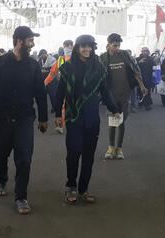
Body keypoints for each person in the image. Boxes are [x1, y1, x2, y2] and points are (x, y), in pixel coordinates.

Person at [0, 26, 48, 214]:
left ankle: (21, 197)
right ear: (19, 41)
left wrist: (43, 118)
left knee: (24, 158)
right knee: (0, 154)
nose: (33, 44)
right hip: (1, 118)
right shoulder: (0, 63)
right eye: (30, 40)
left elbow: (40, 93)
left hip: (25, 119)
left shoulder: (33, 65)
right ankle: (1, 179)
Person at [54, 35, 121, 204]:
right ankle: (71, 186)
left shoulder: (98, 68)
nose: (87, 49)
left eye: (89, 46)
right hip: (73, 117)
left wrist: (114, 109)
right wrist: (57, 114)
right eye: (83, 46)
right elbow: (60, 92)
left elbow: (105, 91)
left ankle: (84, 188)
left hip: (92, 118)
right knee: (74, 152)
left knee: (89, 155)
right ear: (77, 48)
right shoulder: (67, 68)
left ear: (93, 48)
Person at [100, 33, 147, 160]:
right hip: (111, 96)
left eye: (119, 45)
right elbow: (98, 77)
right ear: (108, 44)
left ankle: (119, 149)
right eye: (114, 46)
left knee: (121, 122)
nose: (117, 48)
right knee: (112, 122)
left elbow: (134, 70)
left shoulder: (125, 55)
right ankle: (110, 148)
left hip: (125, 95)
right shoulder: (103, 58)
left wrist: (141, 85)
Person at [45, 40, 74, 133]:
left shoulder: (78, 58)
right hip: (62, 86)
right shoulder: (61, 59)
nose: (67, 48)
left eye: (68, 46)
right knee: (62, 106)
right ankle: (61, 125)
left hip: (75, 88)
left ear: (72, 46)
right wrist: (44, 83)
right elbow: (53, 73)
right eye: (65, 46)